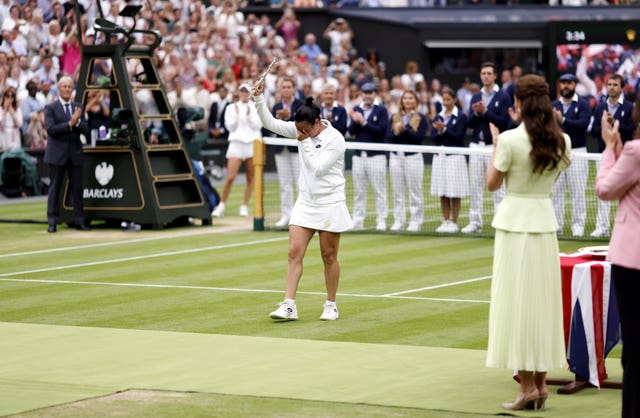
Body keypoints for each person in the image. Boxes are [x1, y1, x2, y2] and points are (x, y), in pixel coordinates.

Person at [485, 74, 571, 411]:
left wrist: (496, 148)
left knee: (520, 305)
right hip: (542, 223)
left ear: (518, 103)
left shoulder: (508, 139)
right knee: (541, 305)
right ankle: (538, 385)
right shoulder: (559, 140)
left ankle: (529, 389)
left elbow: (492, 184)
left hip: (515, 225)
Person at [251, 79, 353, 322]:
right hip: (306, 202)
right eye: (298, 130)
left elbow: (318, 168)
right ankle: (289, 305)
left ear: (317, 122)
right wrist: (258, 99)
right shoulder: (300, 129)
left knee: (328, 256)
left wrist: (305, 141)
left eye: (305, 129)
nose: (301, 132)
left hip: (330, 202)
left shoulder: (336, 140)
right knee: (293, 252)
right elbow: (270, 123)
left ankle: (331, 304)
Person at [595, 109, 640, 418]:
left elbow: (605, 189)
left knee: (635, 349)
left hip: (632, 260)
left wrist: (610, 148)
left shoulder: (636, 151)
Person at [462, 62, 512, 234]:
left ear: (495, 76)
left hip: (495, 146)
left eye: (489, 73)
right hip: (477, 145)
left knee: (498, 187)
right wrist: (476, 113)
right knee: (475, 186)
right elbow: (469, 123)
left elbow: (504, 122)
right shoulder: (475, 97)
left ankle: (499, 222)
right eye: (483, 73)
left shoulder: (504, 97)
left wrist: (485, 112)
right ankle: (475, 222)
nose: (486, 76)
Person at [589, 73, 634, 238]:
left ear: (621, 88)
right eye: (609, 84)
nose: (611, 87)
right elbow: (594, 131)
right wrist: (604, 124)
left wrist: (615, 123)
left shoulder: (629, 107)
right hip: (605, 153)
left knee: (627, 193)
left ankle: (626, 227)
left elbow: (632, 130)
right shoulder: (600, 107)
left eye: (615, 85)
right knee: (604, 188)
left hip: (624, 155)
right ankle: (602, 227)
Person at [43, 76, 91, 232]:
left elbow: (86, 130)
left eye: (69, 87)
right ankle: (52, 221)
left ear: (72, 89)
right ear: (58, 88)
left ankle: (79, 221)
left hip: (75, 153)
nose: (67, 89)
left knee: (77, 189)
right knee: (55, 188)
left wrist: (77, 121)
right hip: (57, 153)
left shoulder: (78, 107)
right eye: (64, 86)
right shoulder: (50, 108)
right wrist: (70, 123)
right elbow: (51, 130)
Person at [211, 84, 262, 218]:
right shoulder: (230, 108)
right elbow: (230, 127)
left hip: (252, 144)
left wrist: (248, 114)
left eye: (246, 91)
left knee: (250, 177)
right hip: (236, 144)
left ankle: (244, 206)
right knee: (231, 176)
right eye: (242, 91)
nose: (245, 93)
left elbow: (257, 125)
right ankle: (221, 205)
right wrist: (238, 115)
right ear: (238, 93)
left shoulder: (256, 107)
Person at [551, 73, 591, 237]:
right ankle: (556, 224)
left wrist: (563, 120)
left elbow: (582, 126)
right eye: (563, 83)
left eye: (569, 83)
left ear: (575, 85)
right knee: (556, 191)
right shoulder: (553, 104)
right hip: (558, 152)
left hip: (578, 152)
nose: (566, 86)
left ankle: (578, 226)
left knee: (578, 191)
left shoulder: (583, 105)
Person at [348, 82, 389, 231]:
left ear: (375, 94)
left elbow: (381, 131)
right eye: (365, 93)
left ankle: (381, 221)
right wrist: (354, 119)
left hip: (376, 156)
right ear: (361, 94)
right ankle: (357, 221)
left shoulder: (382, 110)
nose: (367, 95)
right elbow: (351, 131)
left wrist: (363, 122)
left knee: (380, 191)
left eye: (370, 93)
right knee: (359, 191)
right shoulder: (357, 109)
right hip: (359, 156)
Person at [387, 89, 427, 232]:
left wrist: (405, 130)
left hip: (413, 158)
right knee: (397, 192)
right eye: (405, 98)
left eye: (411, 98)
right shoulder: (394, 117)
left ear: (415, 101)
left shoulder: (421, 118)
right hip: (396, 157)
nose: (408, 101)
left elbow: (418, 138)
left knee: (415, 191)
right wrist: (396, 131)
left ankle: (416, 221)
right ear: (402, 101)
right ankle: (399, 221)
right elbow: (388, 138)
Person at [431, 87, 469, 233]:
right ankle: (445, 221)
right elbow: (434, 138)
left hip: (455, 158)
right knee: (443, 191)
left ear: (454, 100)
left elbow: (459, 137)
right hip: (440, 157)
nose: (445, 102)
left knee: (455, 191)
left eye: (448, 99)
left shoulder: (461, 117)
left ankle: (454, 222)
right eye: (444, 100)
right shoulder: (438, 117)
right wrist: (440, 131)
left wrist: (444, 130)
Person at [270, 76, 303, 227]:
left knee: (299, 183)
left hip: (296, 149)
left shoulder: (300, 105)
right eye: (284, 87)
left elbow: (303, 124)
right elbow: (270, 125)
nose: (286, 90)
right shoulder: (276, 106)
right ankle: (286, 215)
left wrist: (289, 116)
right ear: (280, 90)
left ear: (293, 89)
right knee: (284, 184)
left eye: (289, 87)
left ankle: (300, 216)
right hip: (280, 148)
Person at [0, 86, 23, 150]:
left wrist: (12, 113)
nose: (10, 99)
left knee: (14, 153)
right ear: (4, 97)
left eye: (12, 96)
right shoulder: (0, 109)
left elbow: (20, 124)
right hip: (3, 133)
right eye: (7, 96)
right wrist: (4, 111)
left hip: (14, 133)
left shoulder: (17, 110)